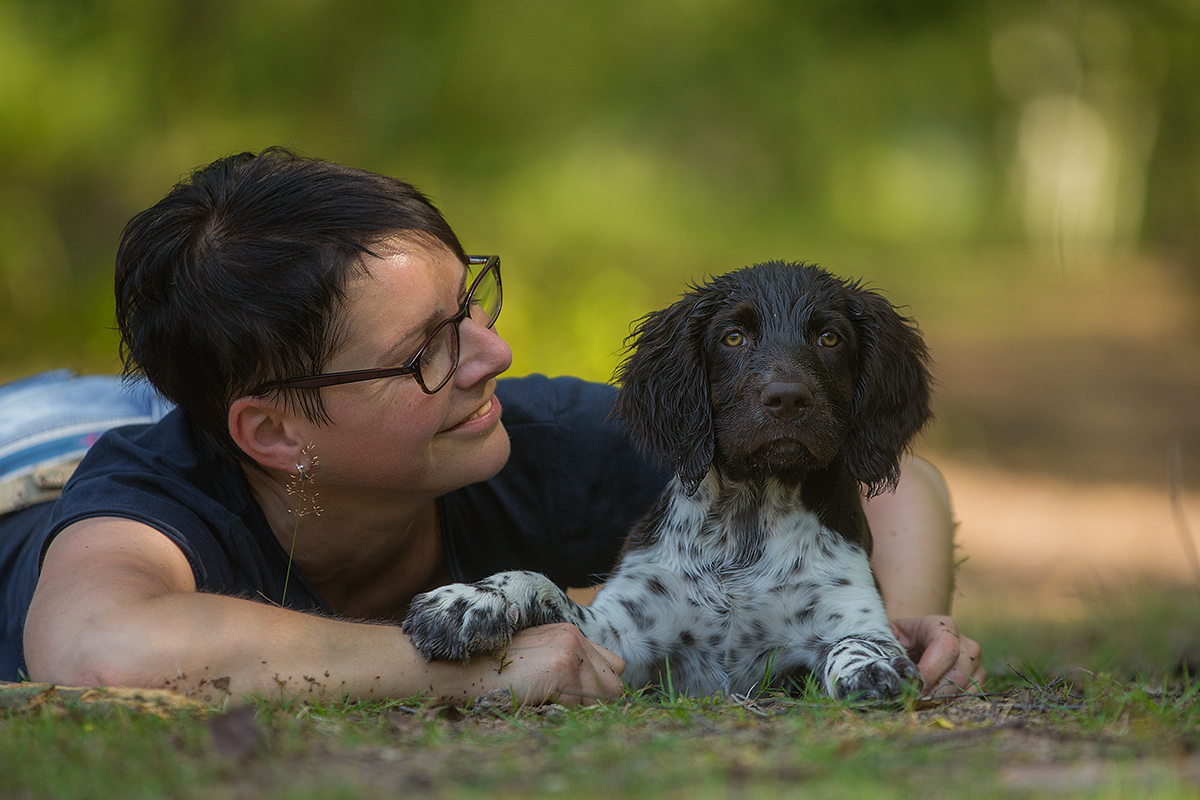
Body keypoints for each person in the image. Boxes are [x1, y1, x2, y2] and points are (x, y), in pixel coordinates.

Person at [0, 148, 983, 705]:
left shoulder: (526, 433)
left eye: (470, 301)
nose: (494, 353)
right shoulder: (144, 501)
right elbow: (104, 651)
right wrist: (485, 669)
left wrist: (893, 622)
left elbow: (893, 484)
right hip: (31, 452)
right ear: (277, 433)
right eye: (431, 345)